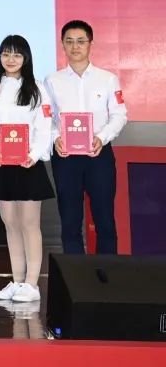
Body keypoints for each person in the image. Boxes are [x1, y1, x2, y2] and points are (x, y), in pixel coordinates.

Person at [0, 34, 54, 303]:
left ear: (26, 58)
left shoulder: (37, 88)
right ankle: (18, 280)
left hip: (28, 162)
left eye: (17, 54)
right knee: (10, 223)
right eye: (6, 54)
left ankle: (32, 284)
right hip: (0, 160)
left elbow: (45, 127)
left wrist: (34, 154)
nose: (11, 59)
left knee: (29, 223)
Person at [45, 20, 127, 254]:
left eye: (81, 41)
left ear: (91, 43)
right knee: (70, 221)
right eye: (69, 41)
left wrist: (102, 137)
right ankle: (74, 273)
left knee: (104, 219)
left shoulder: (107, 79)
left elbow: (120, 114)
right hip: (66, 157)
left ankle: (107, 272)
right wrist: (55, 138)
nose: (75, 47)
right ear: (62, 44)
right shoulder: (52, 80)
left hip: (98, 154)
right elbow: (47, 117)